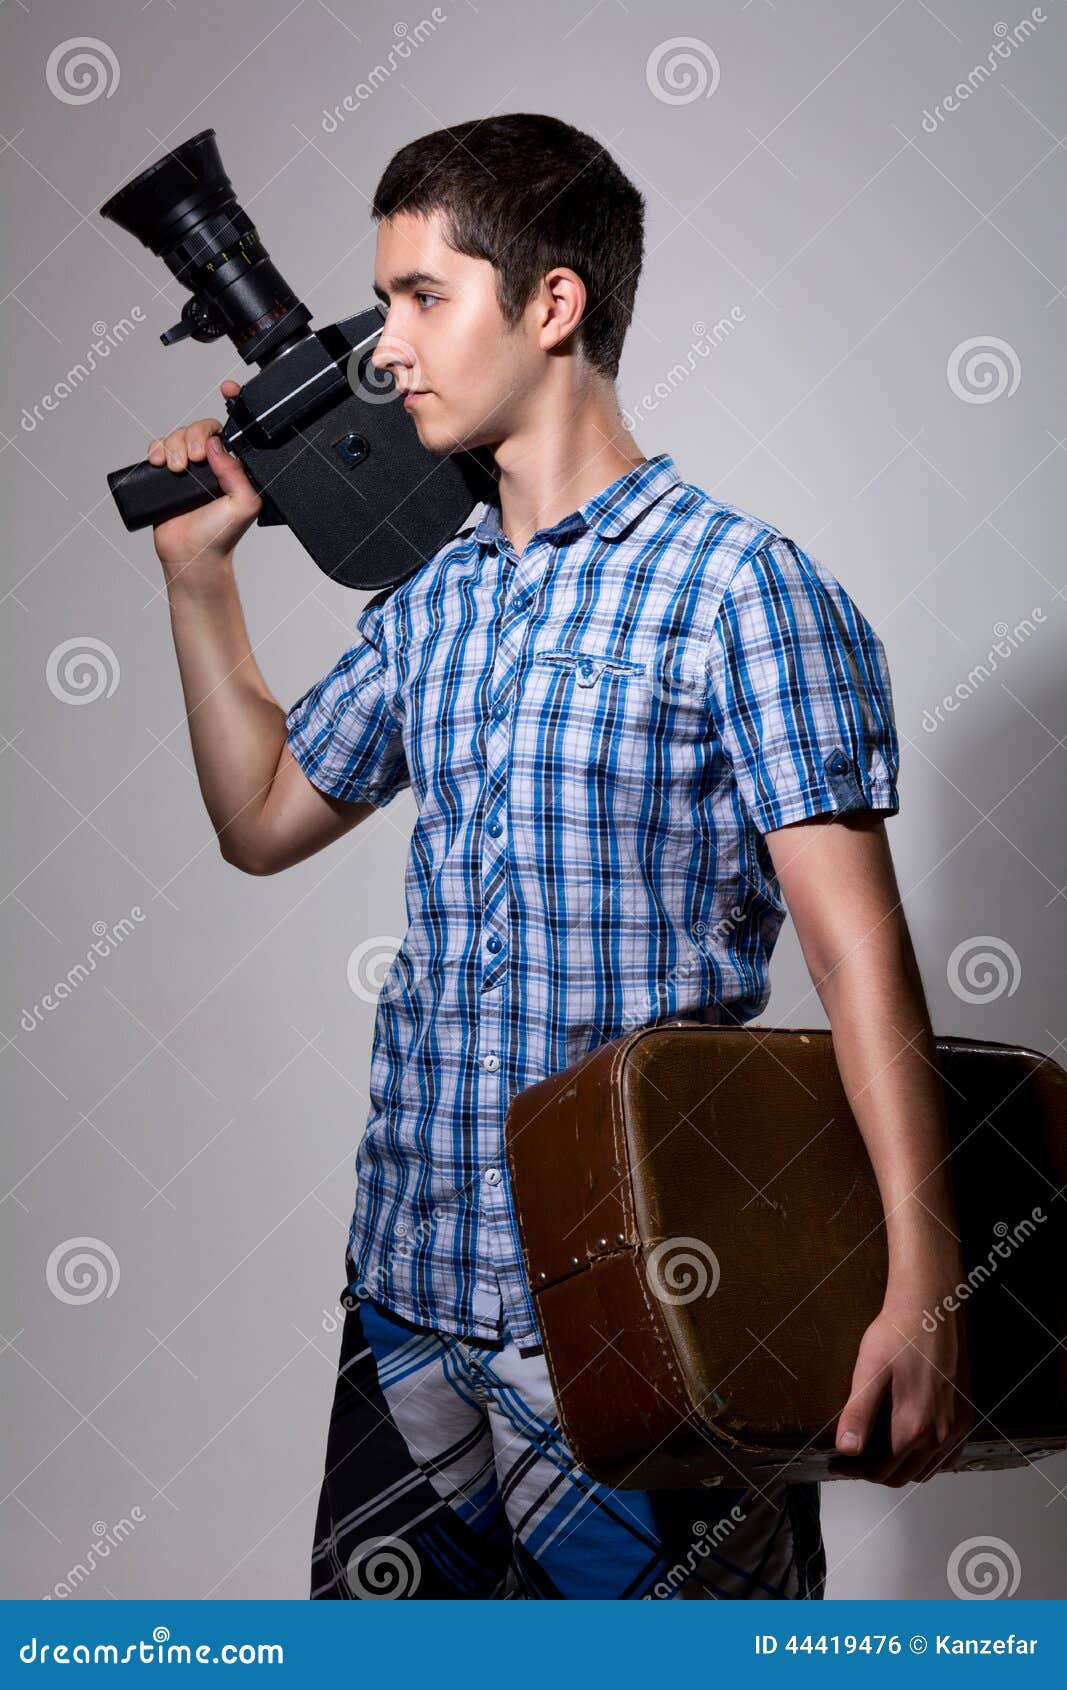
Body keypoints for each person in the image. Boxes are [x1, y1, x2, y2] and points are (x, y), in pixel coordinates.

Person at [145, 113, 973, 1599]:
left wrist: (925, 1280)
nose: (384, 347)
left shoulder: (743, 589)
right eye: (384, 299)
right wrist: (198, 582)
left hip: (645, 1309)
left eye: (421, 297)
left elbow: (862, 963)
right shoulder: (436, 601)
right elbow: (263, 814)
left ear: (552, 304)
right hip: (408, 1305)